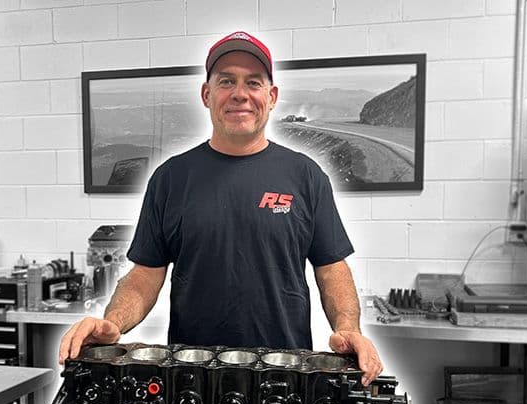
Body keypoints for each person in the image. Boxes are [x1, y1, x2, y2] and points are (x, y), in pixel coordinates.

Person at [58, 31, 383, 386]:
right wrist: (112, 323)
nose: (240, 94)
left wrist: (349, 329)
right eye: (226, 81)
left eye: (253, 83)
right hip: (191, 378)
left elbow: (331, 269)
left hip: (284, 378)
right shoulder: (170, 179)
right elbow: (144, 277)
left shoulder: (306, 176)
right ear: (207, 94)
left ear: (271, 97)